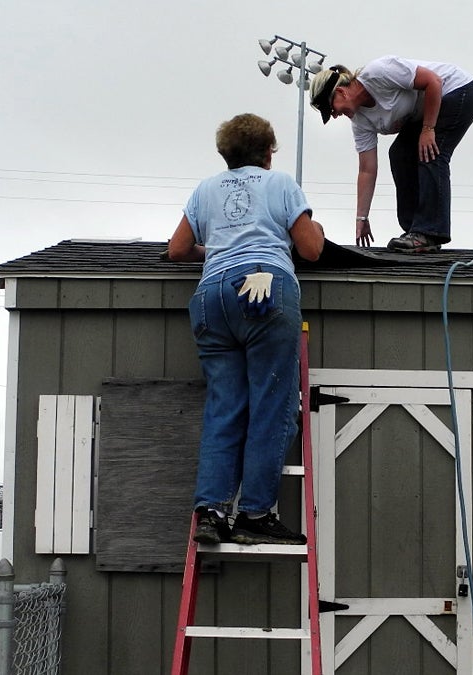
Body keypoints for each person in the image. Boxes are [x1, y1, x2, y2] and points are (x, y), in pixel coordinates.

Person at [166, 113, 325, 546]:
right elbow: (310, 249)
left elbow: (177, 249)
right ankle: (254, 513)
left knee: (224, 407)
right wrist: (316, 229)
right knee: (271, 406)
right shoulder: (281, 184)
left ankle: (212, 512)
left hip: (211, 296)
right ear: (269, 152)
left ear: (226, 153)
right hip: (264, 286)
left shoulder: (206, 189)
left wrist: (219, 247)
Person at [309, 55, 473, 253]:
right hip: (428, 110)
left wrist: (428, 129)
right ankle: (415, 230)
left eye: (332, 109)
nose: (334, 115)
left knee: (429, 151)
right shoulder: (360, 121)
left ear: (341, 92)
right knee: (399, 153)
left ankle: (429, 231)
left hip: (458, 91)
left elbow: (433, 81)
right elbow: (367, 170)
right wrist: (362, 218)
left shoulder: (378, 72)